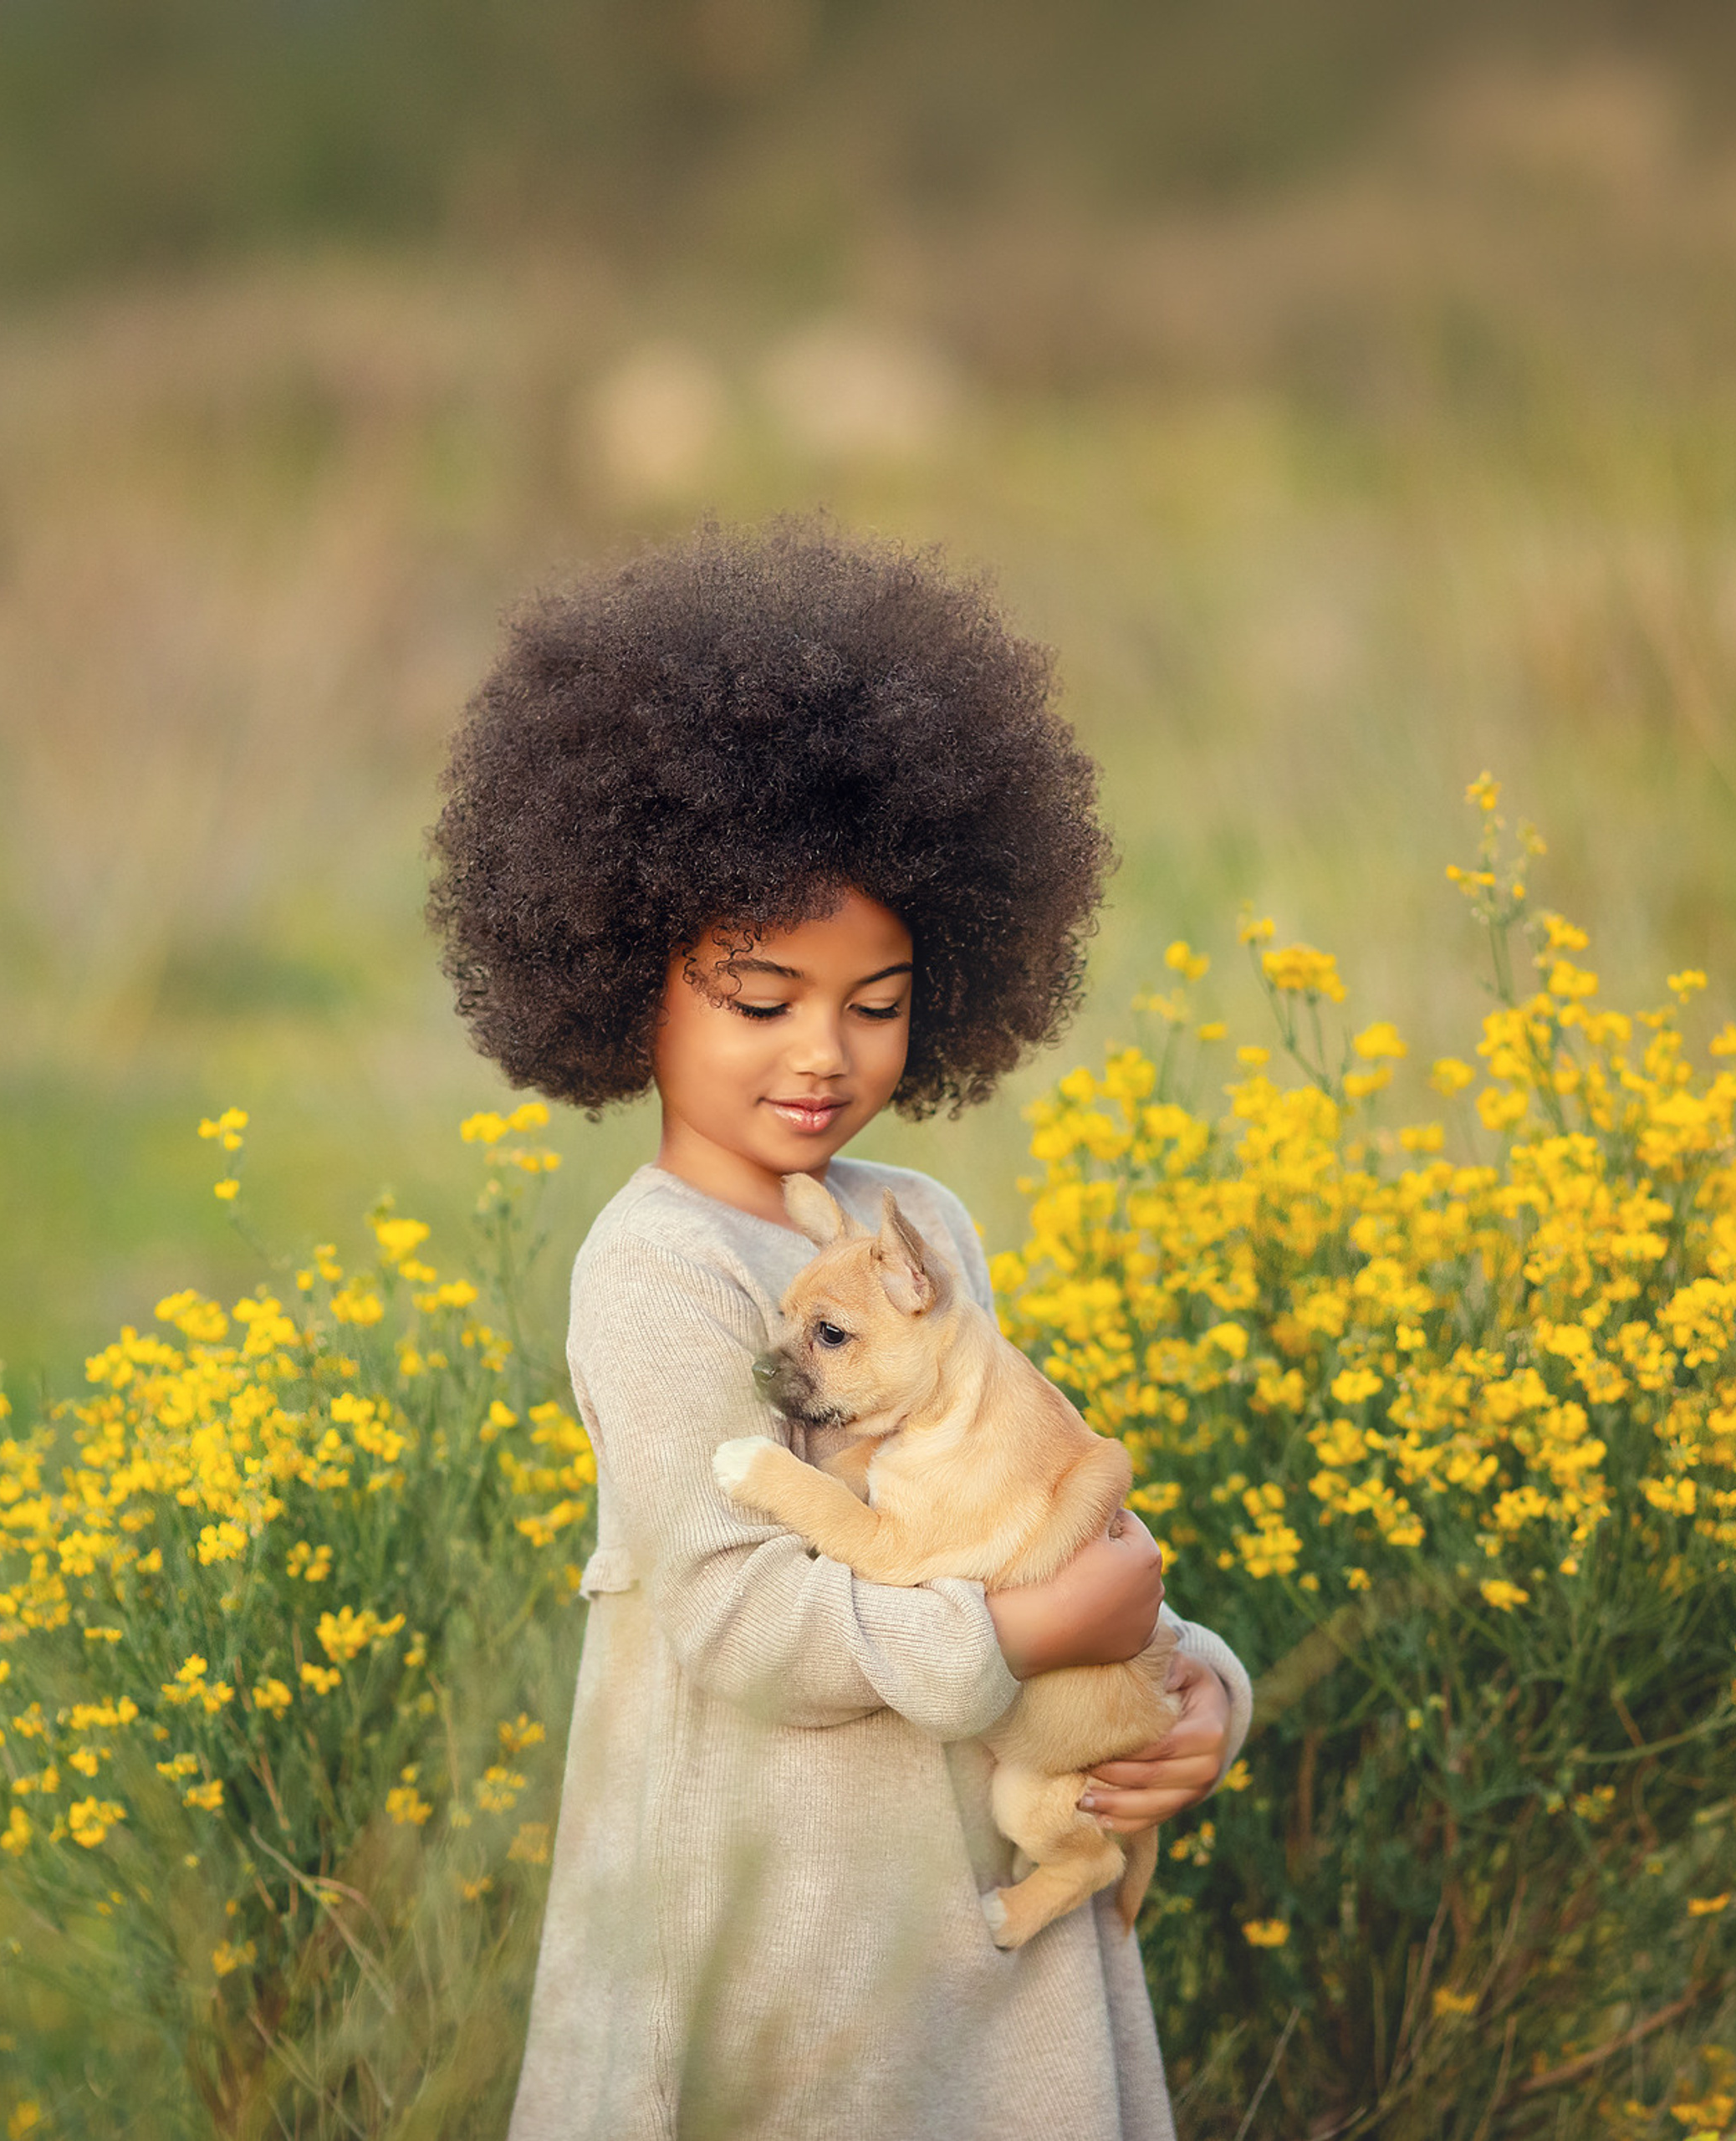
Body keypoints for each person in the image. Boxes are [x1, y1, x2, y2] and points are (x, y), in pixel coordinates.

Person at [428, 524, 1253, 2141]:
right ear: (617, 973)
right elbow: (746, 1629)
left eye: (876, 1003)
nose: (824, 1053)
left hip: (979, 1920)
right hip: (780, 1960)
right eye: (760, 998)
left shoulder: (916, 1228)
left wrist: (1190, 1687)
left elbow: (1030, 1505)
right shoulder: (651, 1275)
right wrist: (1025, 1639)